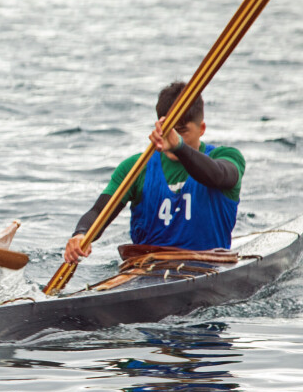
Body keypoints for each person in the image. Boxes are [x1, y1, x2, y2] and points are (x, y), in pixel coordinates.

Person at [64, 81, 245, 263]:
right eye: (169, 131)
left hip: (208, 264)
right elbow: (98, 212)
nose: (173, 137)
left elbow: (219, 176)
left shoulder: (227, 157)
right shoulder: (135, 167)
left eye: (182, 131)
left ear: (202, 129)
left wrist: (179, 147)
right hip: (148, 270)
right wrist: (81, 235)